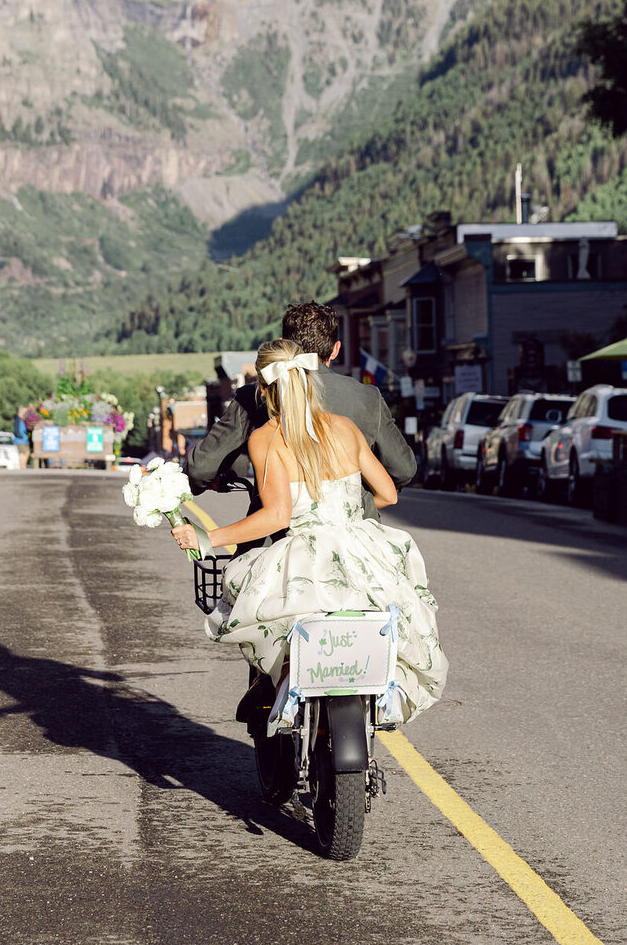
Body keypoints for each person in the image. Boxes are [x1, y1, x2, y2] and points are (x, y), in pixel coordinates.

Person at [171, 339, 448, 728]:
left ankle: (276, 689)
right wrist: (345, 515)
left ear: (265, 390)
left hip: (304, 553)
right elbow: (387, 493)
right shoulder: (346, 428)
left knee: (260, 613)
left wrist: (207, 537)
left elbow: (276, 515)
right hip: (361, 549)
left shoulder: (266, 438)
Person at [186, 301, 416, 553]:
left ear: (283, 344)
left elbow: (200, 469)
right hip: (357, 545)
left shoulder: (252, 401)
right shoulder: (366, 399)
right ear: (336, 349)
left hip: (275, 545)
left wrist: (208, 485)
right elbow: (403, 470)